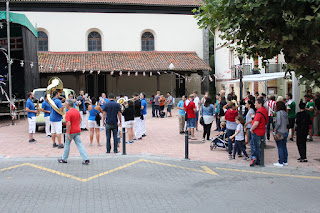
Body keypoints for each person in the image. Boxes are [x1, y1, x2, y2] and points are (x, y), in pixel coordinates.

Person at [58, 99, 90, 165]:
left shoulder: (68, 113)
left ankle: (64, 159)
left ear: (68, 105)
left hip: (71, 131)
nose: (64, 105)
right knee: (80, 145)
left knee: (67, 145)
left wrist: (68, 133)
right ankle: (86, 158)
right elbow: (80, 119)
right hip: (77, 130)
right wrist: (77, 124)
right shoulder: (76, 111)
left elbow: (68, 124)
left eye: (65, 104)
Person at [249, 98, 268, 167]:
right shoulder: (265, 111)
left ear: (260, 104)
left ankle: (255, 158)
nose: (255, 104)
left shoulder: (259, 112)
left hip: (257, 131)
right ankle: (258, 159)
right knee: (258, 145)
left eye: (256, 103)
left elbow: (256, 123)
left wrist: (251, 129)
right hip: (262, 130)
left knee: (254, 145)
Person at [273, 101, 289, 167]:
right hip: (285, 131)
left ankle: (280, 161)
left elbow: (279, 122)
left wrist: (275, 128)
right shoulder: (285, 113)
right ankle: (285, 161)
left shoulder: (279, 113)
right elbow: (287, 122)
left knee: (280, 147)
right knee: (284, 146)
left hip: (280, 131)